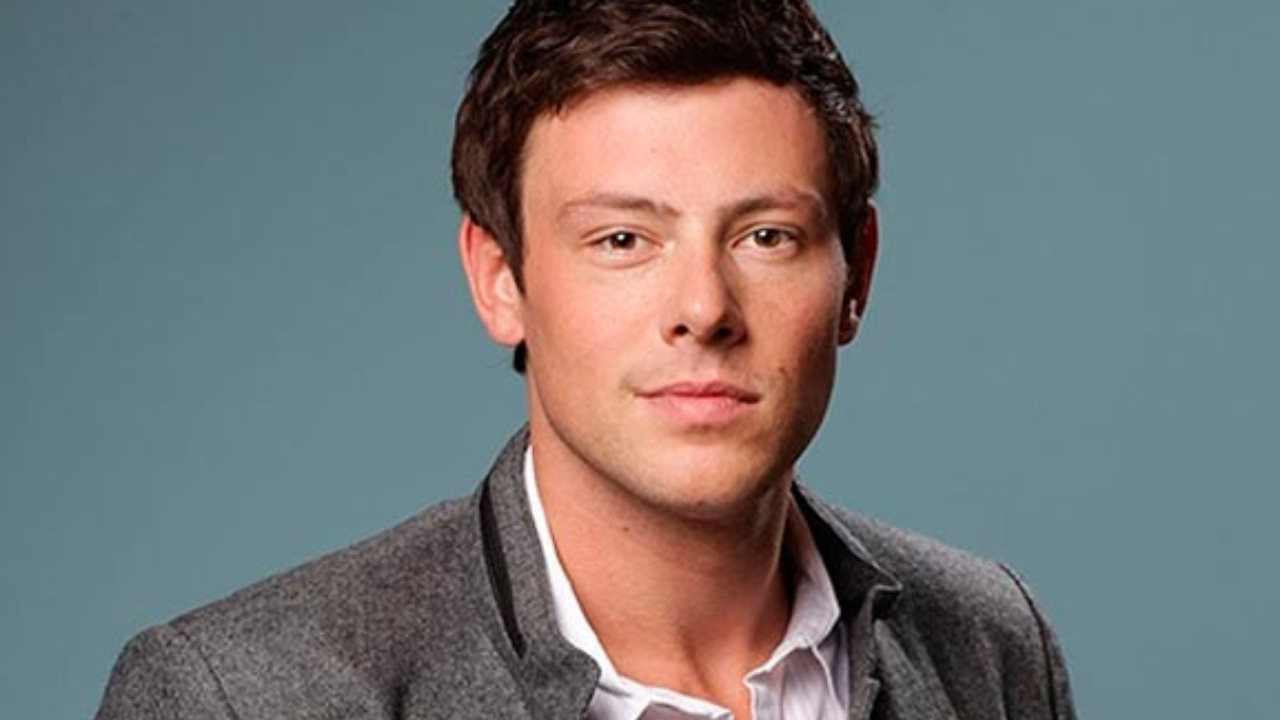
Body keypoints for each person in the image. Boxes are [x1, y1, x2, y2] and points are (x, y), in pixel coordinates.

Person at [95, 1, 1076, 718]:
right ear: (500, 280)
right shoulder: (241, 697)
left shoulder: (990, 645)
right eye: (622, 240)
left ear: (855, 273)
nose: (703, 310)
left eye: (766, 236)